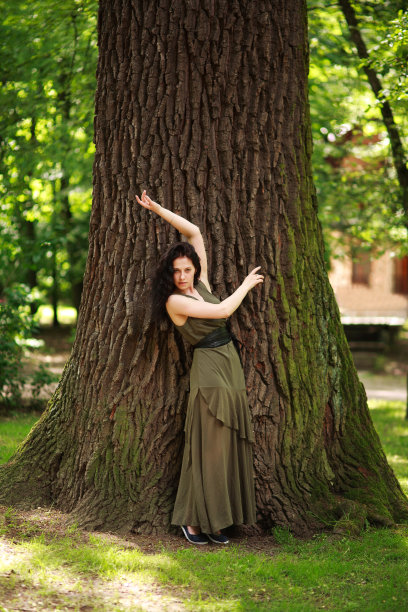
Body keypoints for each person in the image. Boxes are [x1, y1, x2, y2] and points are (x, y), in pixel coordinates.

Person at [136, 190, 264, 545]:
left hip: (230, 366)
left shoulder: (201, 284)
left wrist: (159, 210)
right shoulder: (175, 301)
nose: (182, 276)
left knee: (226, 448)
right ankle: (194, 521)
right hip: (208, 369)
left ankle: (219, 519)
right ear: (169, 275)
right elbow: (223, 312)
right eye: (176, 271)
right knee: (210, 446)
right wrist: (245, 285)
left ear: (195, 268)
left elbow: (194, 234)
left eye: (187, 269)